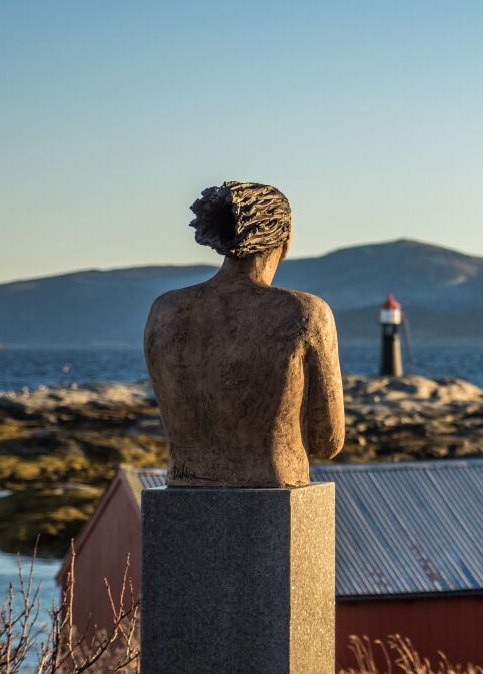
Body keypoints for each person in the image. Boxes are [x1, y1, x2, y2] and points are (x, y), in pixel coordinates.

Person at [144, 181, 343, 487]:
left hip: (184, 483)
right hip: (275, 483)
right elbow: (328, 442)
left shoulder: (165, 310)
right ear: (284, 239)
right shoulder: (305, 313)